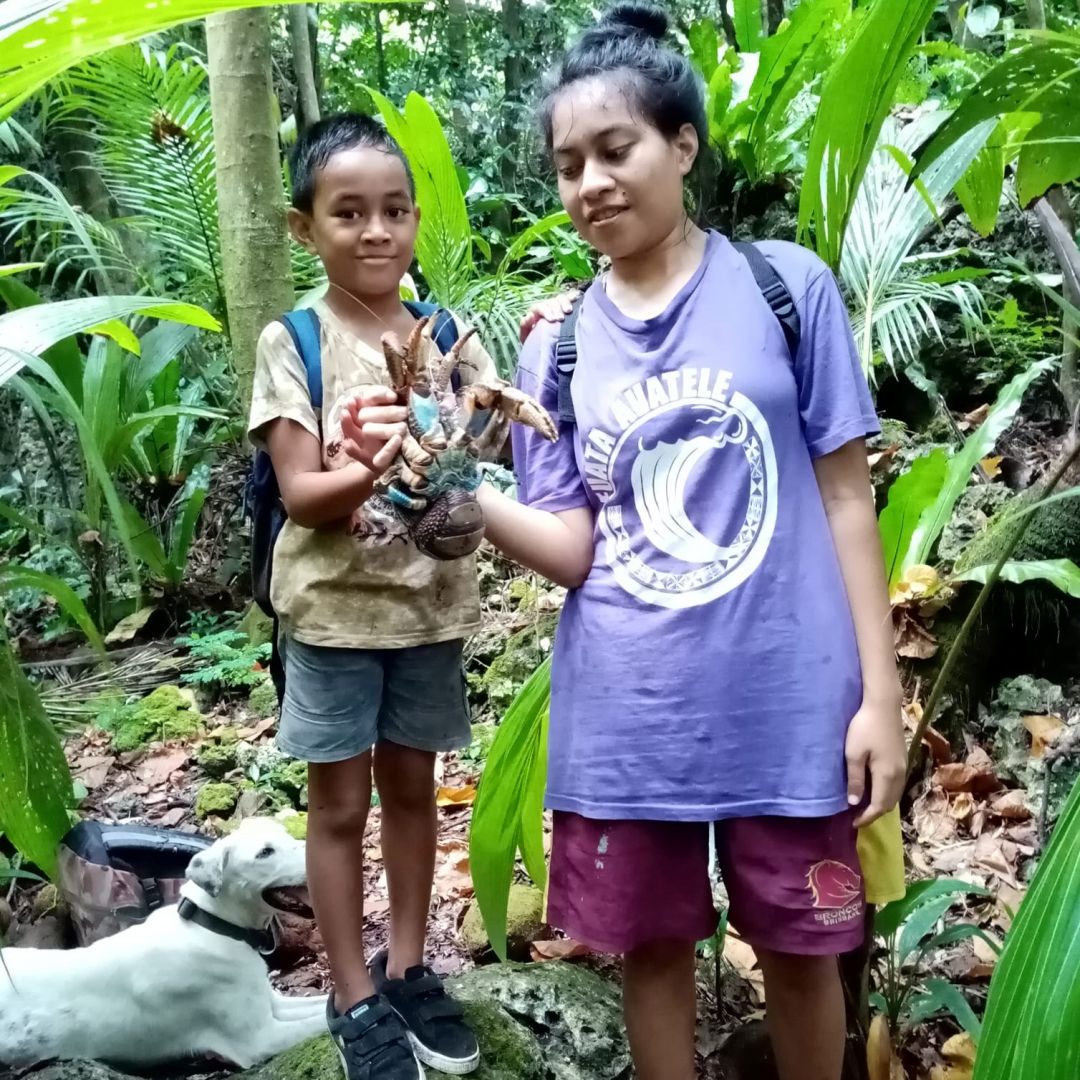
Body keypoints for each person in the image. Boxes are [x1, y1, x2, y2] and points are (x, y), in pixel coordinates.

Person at [347, 6, 906, 1079]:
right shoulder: (555, 344)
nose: (590, 183)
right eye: (568, 166)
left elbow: (846, 499)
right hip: (631, 715)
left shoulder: (786, 288)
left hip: (787, 702)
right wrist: (452, 482)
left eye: (617, 150)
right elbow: (570, 548)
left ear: (682, 144)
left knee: (801, 955)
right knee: (650, 955)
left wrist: (878, 698)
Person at [247, 113, 493, 1080]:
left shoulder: (449, 335)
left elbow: (492, 435)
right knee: (340, 805)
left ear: (416, 220)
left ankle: (407, 967)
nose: (376, 230)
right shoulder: (295, 339)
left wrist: (491, 407)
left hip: (427, 610)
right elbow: (303, 492)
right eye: (348, 212)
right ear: (305, 228)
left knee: (413, 795)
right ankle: (353, 994)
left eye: (394, 210)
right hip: (334, 617)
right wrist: (366, 462)